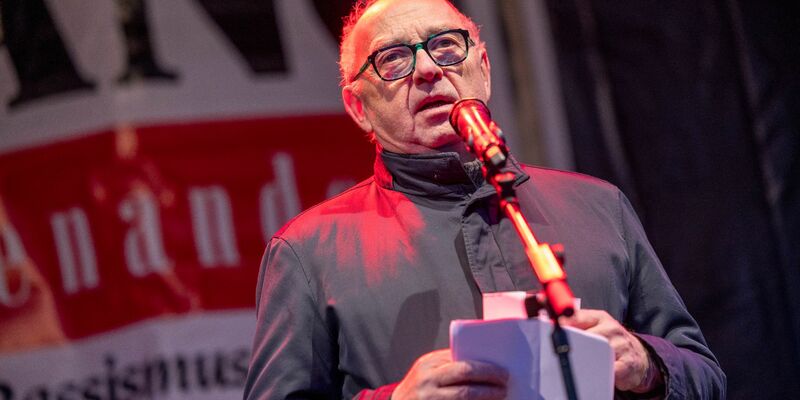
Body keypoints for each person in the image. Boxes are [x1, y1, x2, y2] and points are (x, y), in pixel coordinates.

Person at [243, 0, 726, 398]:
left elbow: (706, 376)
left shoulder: (598, 206)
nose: (429, 69)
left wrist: (647, 365)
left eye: (446, 47)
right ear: (358, 108)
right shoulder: (311, 251)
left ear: (484, 69)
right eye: (393, 58)